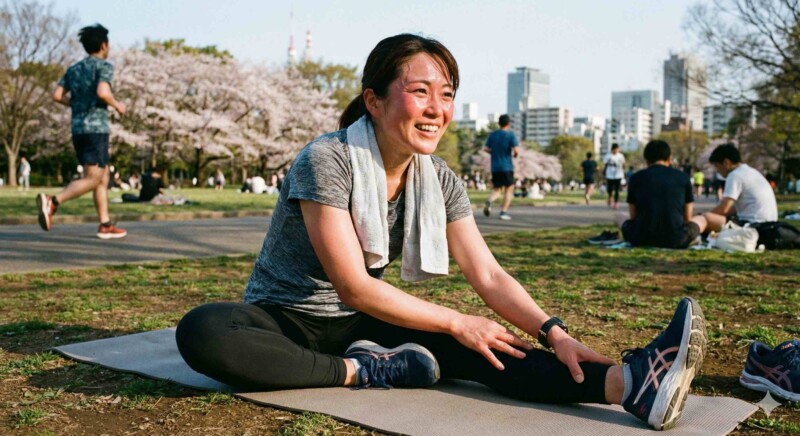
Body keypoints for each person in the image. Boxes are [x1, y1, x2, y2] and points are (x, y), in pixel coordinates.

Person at [175, 34, 707, 431]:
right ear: (374, 101)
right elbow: (352, 285)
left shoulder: (440, 179)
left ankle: (632, 385)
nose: (437, 109)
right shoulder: (328, 159)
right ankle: (363, 372)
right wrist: (456, 320)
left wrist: (554, 331)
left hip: (367, 320)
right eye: (420, 92)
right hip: (285, 320)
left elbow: (488, 273)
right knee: (204, 330)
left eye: (447, 94)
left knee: (483, 347)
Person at [36, 24, 127, 239]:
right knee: (94, 178)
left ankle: (105, 224)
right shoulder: (104, 66)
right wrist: (117, 105)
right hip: (96, 129)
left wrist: (75, 105)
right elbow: (103, 92)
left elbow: (57, 95)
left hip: (78, 129)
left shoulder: (73, 69)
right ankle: (53, 201)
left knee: (102, 176)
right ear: (104, 45)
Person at [590, 140, 708, 248]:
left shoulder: (636, 178)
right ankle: (697, 238)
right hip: (676, 239)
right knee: (702, 219)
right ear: (669, 159)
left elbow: (633, 217)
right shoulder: (683, 178)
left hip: (640, 238)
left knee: (618, 216)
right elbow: (687, 218)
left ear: (646, 160)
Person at [701, 144, 778, 232]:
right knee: (710, 217)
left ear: (726, 162)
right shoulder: (750, 171)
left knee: (705, 218)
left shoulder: (734, 175)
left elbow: (724, 208)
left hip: (753, 227)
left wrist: (706, 215)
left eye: (717, 166)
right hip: (769, 226)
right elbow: (732, 209)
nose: (717, 170)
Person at [483, 114, 519, 220]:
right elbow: (517, 151)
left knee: (497, 189)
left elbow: (485, 148)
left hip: (495, 167)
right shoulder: (510, 135)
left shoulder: (493, 135)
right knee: (509, 189)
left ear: (499, 123)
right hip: (506, 166)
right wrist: (515, 155)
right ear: (508, 123)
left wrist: (493, 152)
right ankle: (503, 212)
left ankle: (490, 200)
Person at [603, 144, 625, 209]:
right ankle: (610, 196)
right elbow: (605, 164)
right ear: (612, 149)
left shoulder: (621, 156)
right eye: (615, 149)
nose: (617, 150)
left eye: (618, 149)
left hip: (618, 174)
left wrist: (623, 173)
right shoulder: (608, 155)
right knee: (609, 189)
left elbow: (623, 164)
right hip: (609, 174)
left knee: (617, 189)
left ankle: (616, 202)